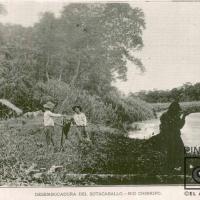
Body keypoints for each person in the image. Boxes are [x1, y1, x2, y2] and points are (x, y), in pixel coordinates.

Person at [159, 101, 190, 171]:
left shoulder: (164, 115)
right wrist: (183, 117)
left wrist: (182, 117)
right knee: (179, 150)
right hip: (173, 136)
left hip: (168, 136)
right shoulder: (174, 116)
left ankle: (171, 167)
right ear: (175, 109)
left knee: (171, 151)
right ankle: (176, 166)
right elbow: (180, 126)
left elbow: (162, 124)